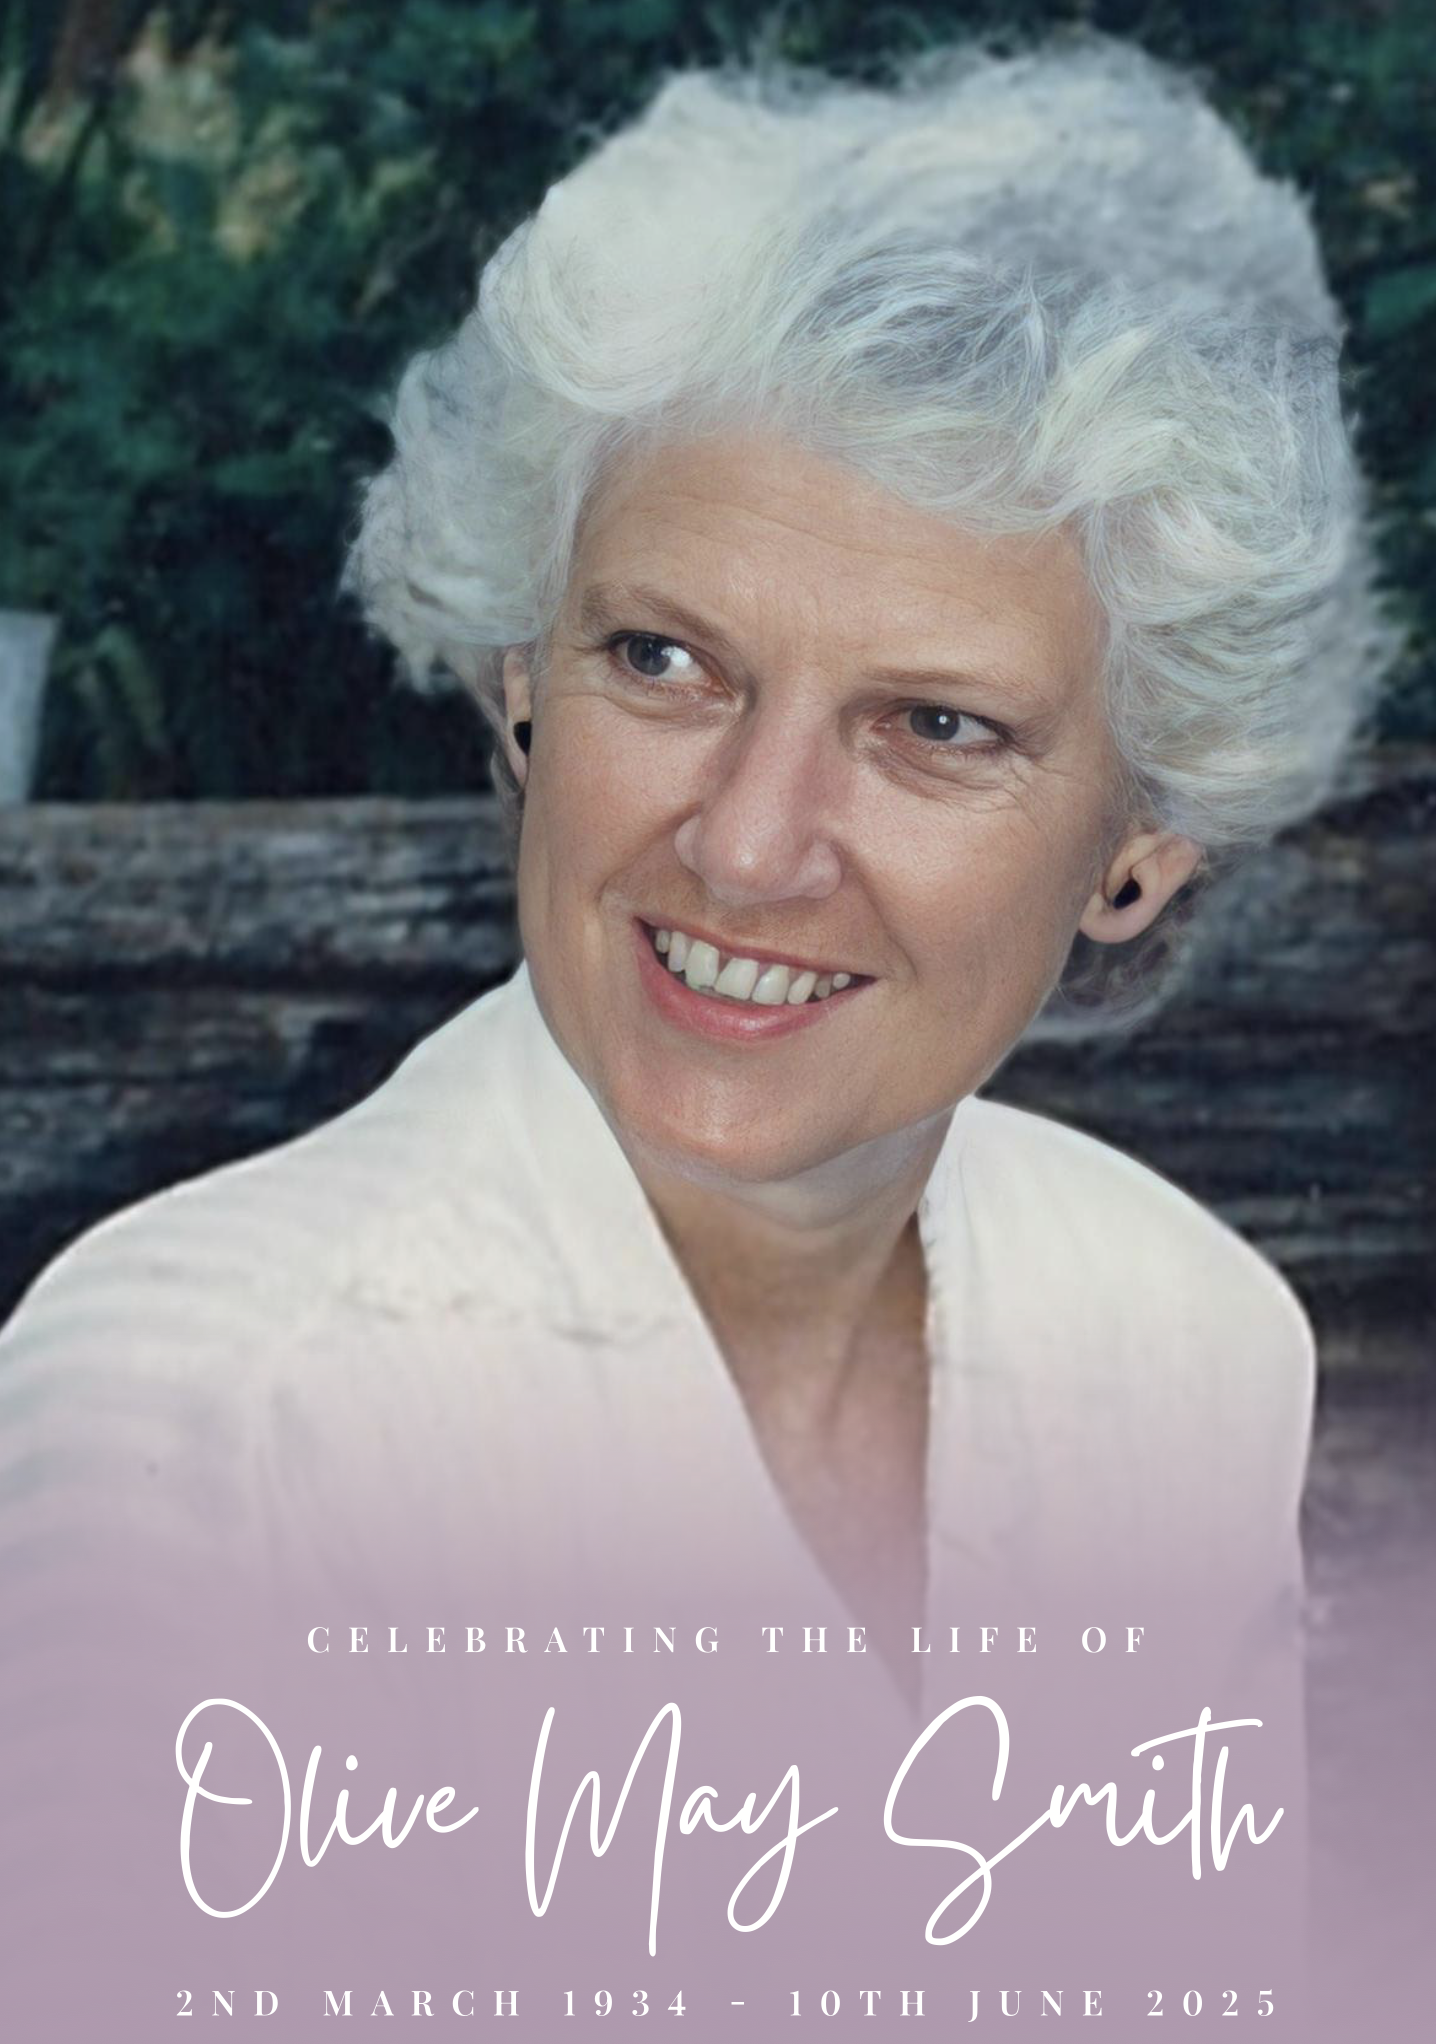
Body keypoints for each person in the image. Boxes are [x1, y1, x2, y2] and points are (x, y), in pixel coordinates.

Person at [0, 38, 1390, 1692]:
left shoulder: (1198, 1345)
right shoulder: (198, 1411)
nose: (743, 845)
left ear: (1142, 850)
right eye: (664, 661)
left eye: (937, 727)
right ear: (525, 683)